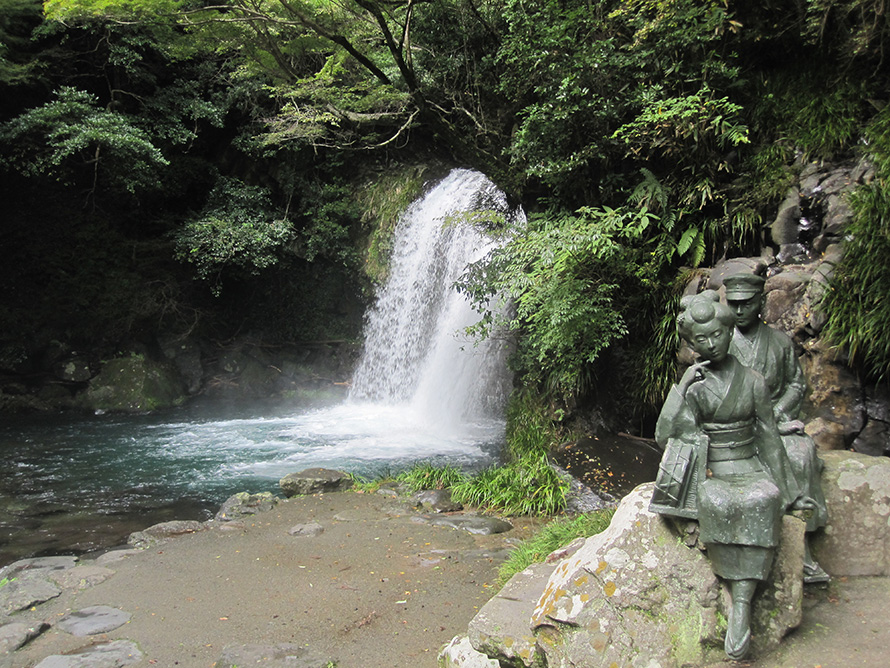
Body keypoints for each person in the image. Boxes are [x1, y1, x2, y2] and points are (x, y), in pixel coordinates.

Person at [651, 290, 809, 661]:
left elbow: (769, 436)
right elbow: (665, 436)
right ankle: (737, 598)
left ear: (728, 331)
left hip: (748, 461)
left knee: (763, 498)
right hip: (713, 464)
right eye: (700, 339)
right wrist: (682, 387)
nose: (711, 344)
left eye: (717, 335)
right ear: (691, 344)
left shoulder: (753, 380)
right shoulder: (696, 383)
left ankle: (743, 600)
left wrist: (788, 488)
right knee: (716, 499)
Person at [723, 272, 829, 584]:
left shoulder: (780, 343)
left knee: (800, 453)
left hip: (776, 423)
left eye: (747, 304)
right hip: (736, 429)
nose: (740, 310)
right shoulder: (722, 342)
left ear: (760, 303)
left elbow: (796, 384)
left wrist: (779, 412)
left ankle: (801, 547)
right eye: (734, 304)